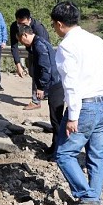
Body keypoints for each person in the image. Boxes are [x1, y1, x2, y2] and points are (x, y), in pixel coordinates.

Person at [51, 1, 103, 205]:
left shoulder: (67, 46)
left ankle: (86, 196)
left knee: (64, 154)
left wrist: (73, 116)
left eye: (53, 25)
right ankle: (94, 199)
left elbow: (70, 84)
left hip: (85, 106)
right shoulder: (96, 40)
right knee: (96, 155)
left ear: (60, 24)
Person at [16, 25, 64, 156]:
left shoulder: (39, 45)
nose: (22, 43)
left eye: (21, 40)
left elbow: (45, 67)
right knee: (56, 119)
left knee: (56, 120)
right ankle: (55, 147)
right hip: (55, 83)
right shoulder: (38, 43)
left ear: (25, 35)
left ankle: (59, 152)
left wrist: (41, 87)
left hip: (55, 84)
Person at [10, 8, 51, 110]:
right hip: (31, 51)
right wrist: (18, 65)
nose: (21, 26)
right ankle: (43, 93)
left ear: (29, 19)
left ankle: (36, 101)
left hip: (42, 52)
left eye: (23, 23)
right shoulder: (15, 26)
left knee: (39, 72)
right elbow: (14, 46)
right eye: (19, 23)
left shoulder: (38, 28)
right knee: (32, 72)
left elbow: (44, 48)